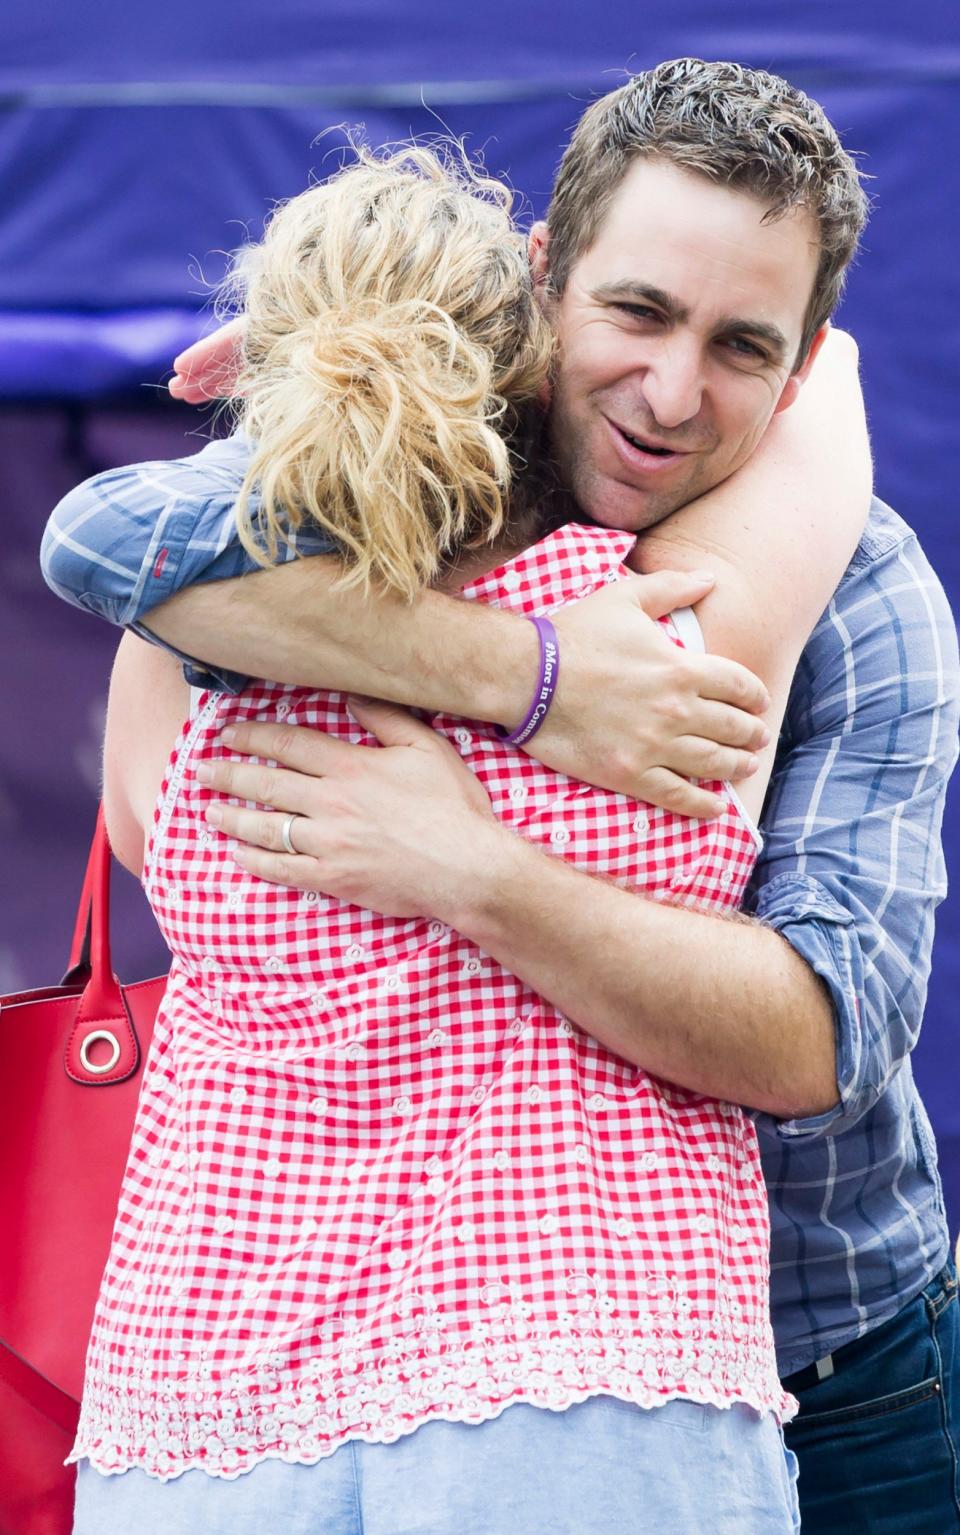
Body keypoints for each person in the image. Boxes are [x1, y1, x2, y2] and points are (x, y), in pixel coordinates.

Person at [42, 59, 960, 1533]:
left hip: (831, 1328)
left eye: (742, 347)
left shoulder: (857, 589)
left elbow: (820, 1037)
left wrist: (466, 863)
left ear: (803, 369)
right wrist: (534, 677)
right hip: (416, 1343)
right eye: (640, 313)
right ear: (545, 280)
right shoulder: (363, 507)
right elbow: (105, 541)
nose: (671, 394)